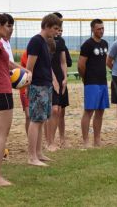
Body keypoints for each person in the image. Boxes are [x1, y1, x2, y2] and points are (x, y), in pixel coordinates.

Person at [0, 14, 28, 186]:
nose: (9, 29)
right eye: (7, 26)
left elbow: (6, 63)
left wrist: (24, 70)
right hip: (1, 91)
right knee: (1, 135)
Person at [26, 13, 61, 166]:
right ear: (46, 26)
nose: (56, 32)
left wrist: (52, 81)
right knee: (36, 120)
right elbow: (29, 67)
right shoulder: (36, 41)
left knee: (42, 120)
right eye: (55, 28)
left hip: (46, 85)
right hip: (38, 86)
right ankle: (32, 156)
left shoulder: (45, 42)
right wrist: (28, 86)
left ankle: (39, 153)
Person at [78, 19, 109, 148]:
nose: (101, 31)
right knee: (89, 111)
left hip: (103, 81)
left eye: (102, 28)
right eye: (98, 29)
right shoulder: (87, 44)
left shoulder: (105, 43)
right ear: (92, 29)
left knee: (100, 112)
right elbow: (81, 65)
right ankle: (86, 141)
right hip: (91, 82)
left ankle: (97, 140)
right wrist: (86, 78)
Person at [46, 12, 70, 151]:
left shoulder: (61, 41)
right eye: (57, 25)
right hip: (49, 78)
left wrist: (65, 78)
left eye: (60, 25)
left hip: (61, 79)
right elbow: (46, 62)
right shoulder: (45, 40)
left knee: (60, 110)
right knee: (52, 110)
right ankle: (50, 141)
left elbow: (63, 61)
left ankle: (61, 139)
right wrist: (53, 78)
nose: (59, 28)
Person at [20, 50, 30, 134]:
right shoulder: (27, 53)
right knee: (29, 116)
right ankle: (30, 138)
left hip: (37, 87)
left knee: (37, 117)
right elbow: (29, 69)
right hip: (25, 87)